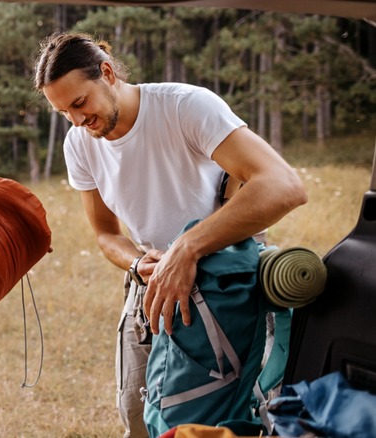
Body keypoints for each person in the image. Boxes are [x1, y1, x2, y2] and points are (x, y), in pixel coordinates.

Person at [33, 33, 307, 438]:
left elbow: (285, 186)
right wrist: (137, 262)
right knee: (138, 415)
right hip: (152, 284)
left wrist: (187, 249)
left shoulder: (185, 106)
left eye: (79, 103)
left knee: (224, 418)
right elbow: (106, 234)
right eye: (63, 113)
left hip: (226, 283)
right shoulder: (80, 144)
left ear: (107, 73)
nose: (77, 122)